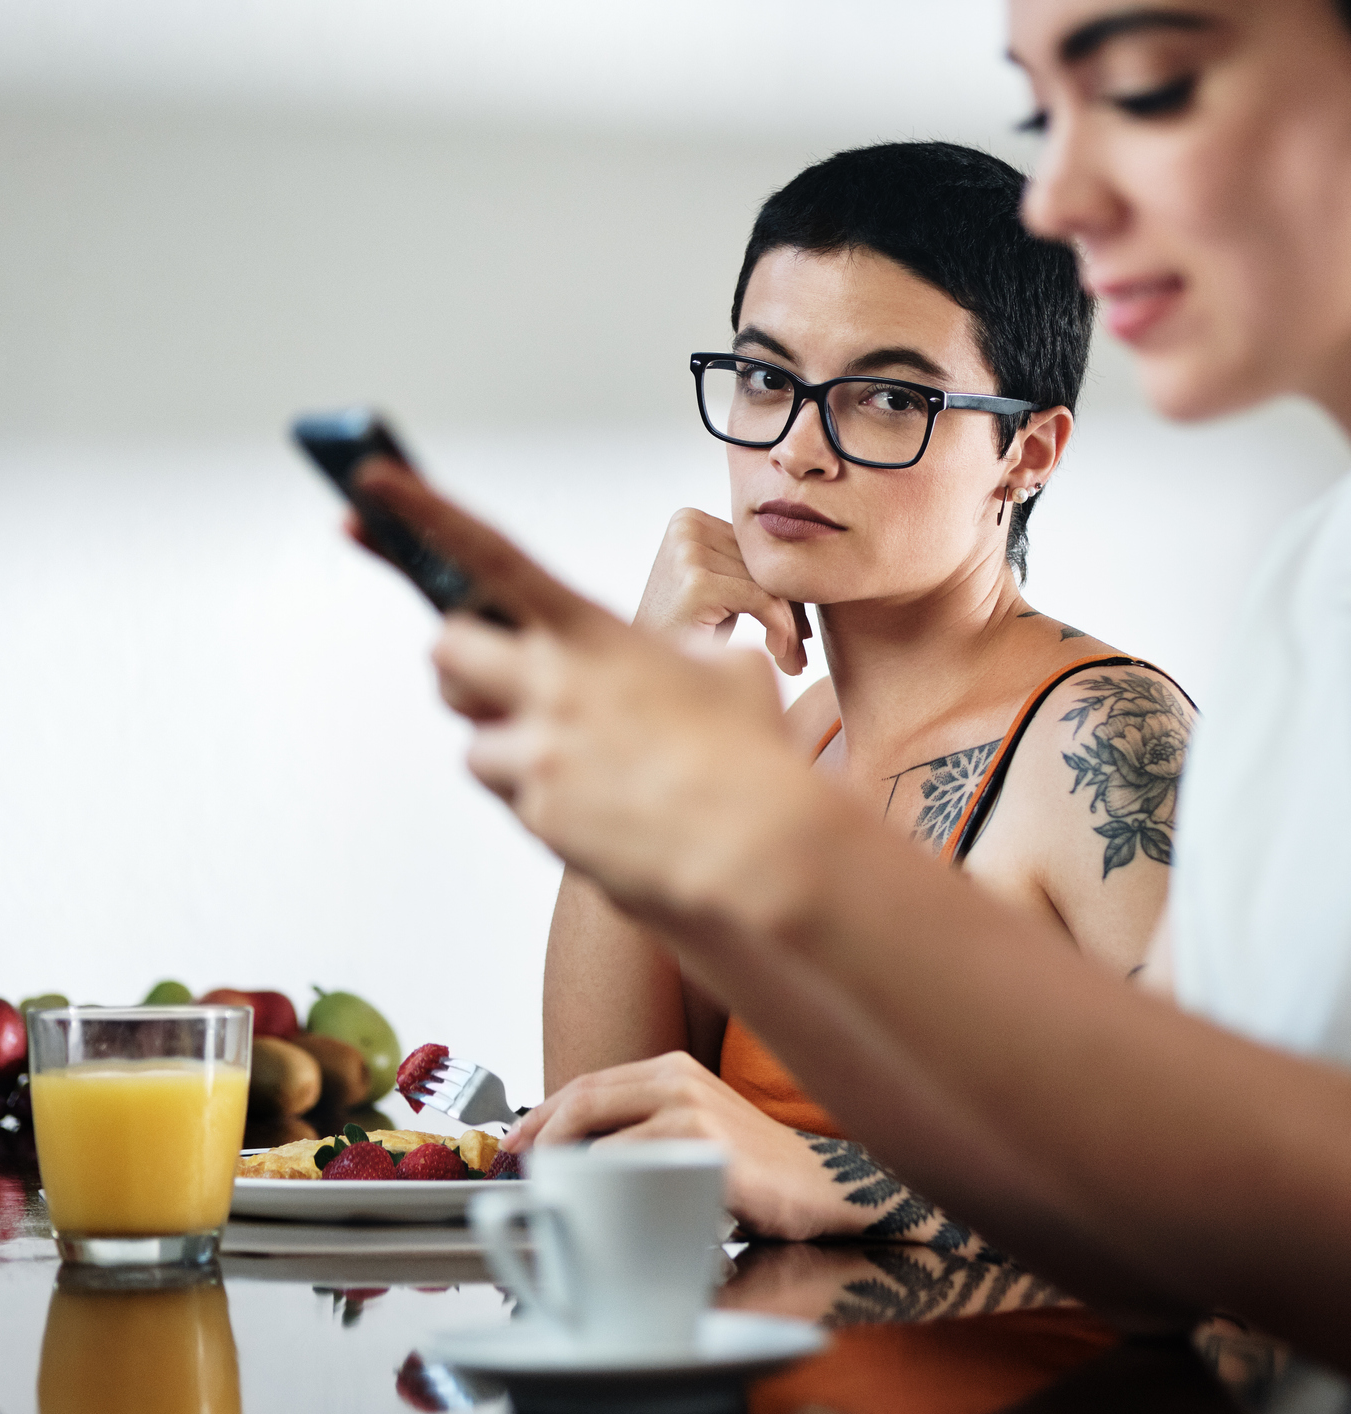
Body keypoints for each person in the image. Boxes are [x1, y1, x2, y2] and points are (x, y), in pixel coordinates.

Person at [361, 0, 1351, 1409]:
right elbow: (1154, 1238)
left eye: (1140, 86)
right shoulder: (1317, 584)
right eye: (1037, 106)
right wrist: (665, 829)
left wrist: (759, 848)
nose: (1059, 192)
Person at [510, 142, 1191, 1248]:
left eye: (885, 397)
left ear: (1027, 451)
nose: (796, 445)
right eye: (768, 378)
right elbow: (608, 1136)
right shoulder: (797, 742)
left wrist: (832, 1177)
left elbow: (1255, 1196)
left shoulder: (1099, 741)